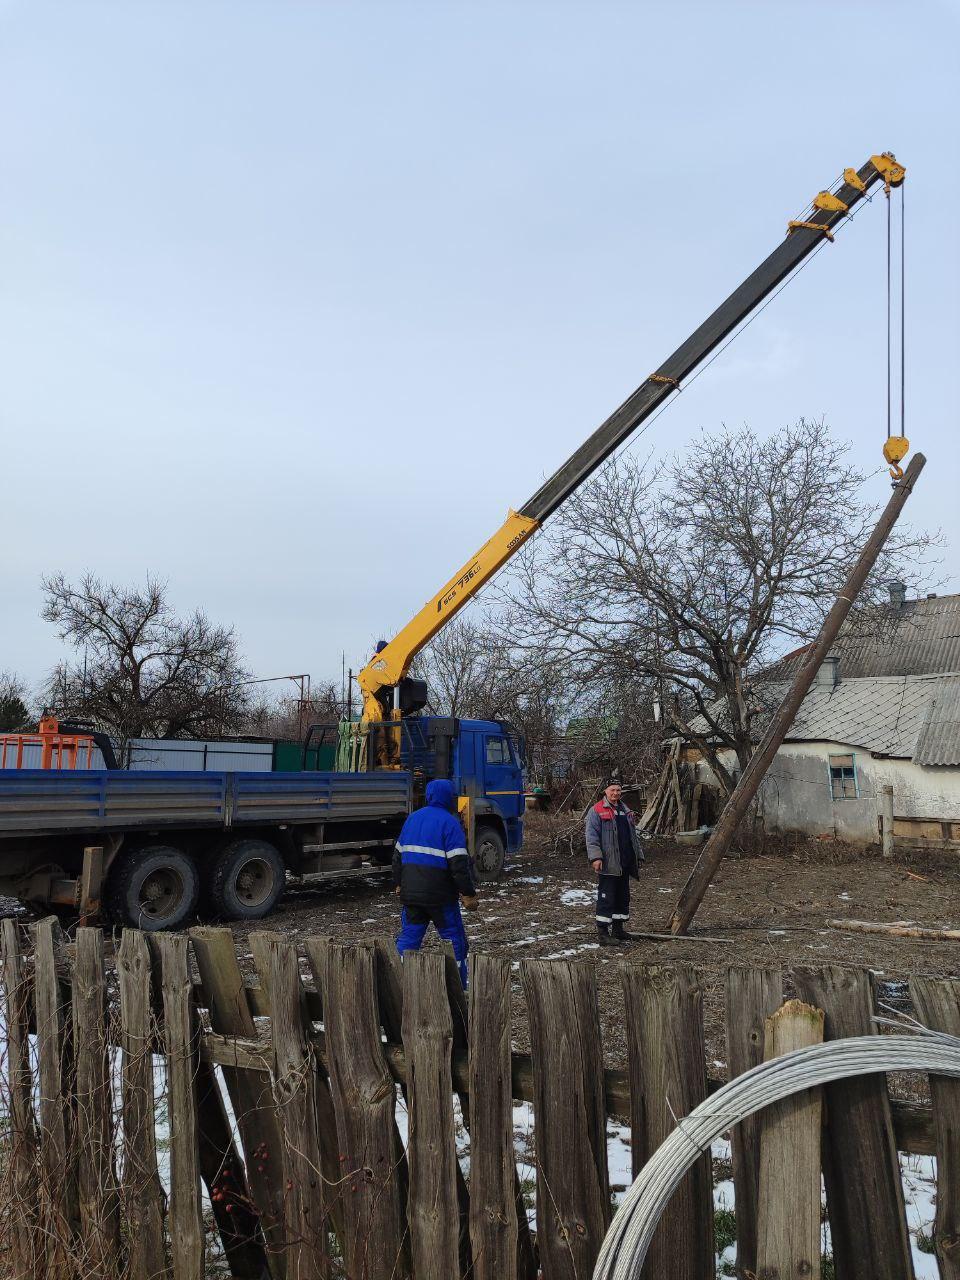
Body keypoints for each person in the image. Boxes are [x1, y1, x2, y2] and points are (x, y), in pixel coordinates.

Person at [394, 778, 479, 985]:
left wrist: (398, 883)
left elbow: (397, 856)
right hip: (441, 898)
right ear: (449, 798)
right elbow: (459, 865)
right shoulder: (450, 823)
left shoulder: (412, 819)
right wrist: (468, 893)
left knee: (408, 939)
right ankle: (458, 988)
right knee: (455, 942)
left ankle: (397, 982)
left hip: (412, 896)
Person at [585, 780, 644, 944]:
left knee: (622, 896)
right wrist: (596, 857)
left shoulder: (625, 810)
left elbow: (633, 836)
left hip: (625, 862)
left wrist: (638, 855)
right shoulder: (596, 810)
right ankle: (603, 933)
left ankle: (618, 930)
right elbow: (591, 836)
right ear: (605, 791)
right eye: (612, 790)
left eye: (618, 790)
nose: (616, 793)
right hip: (608, 863)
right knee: (607, 897)